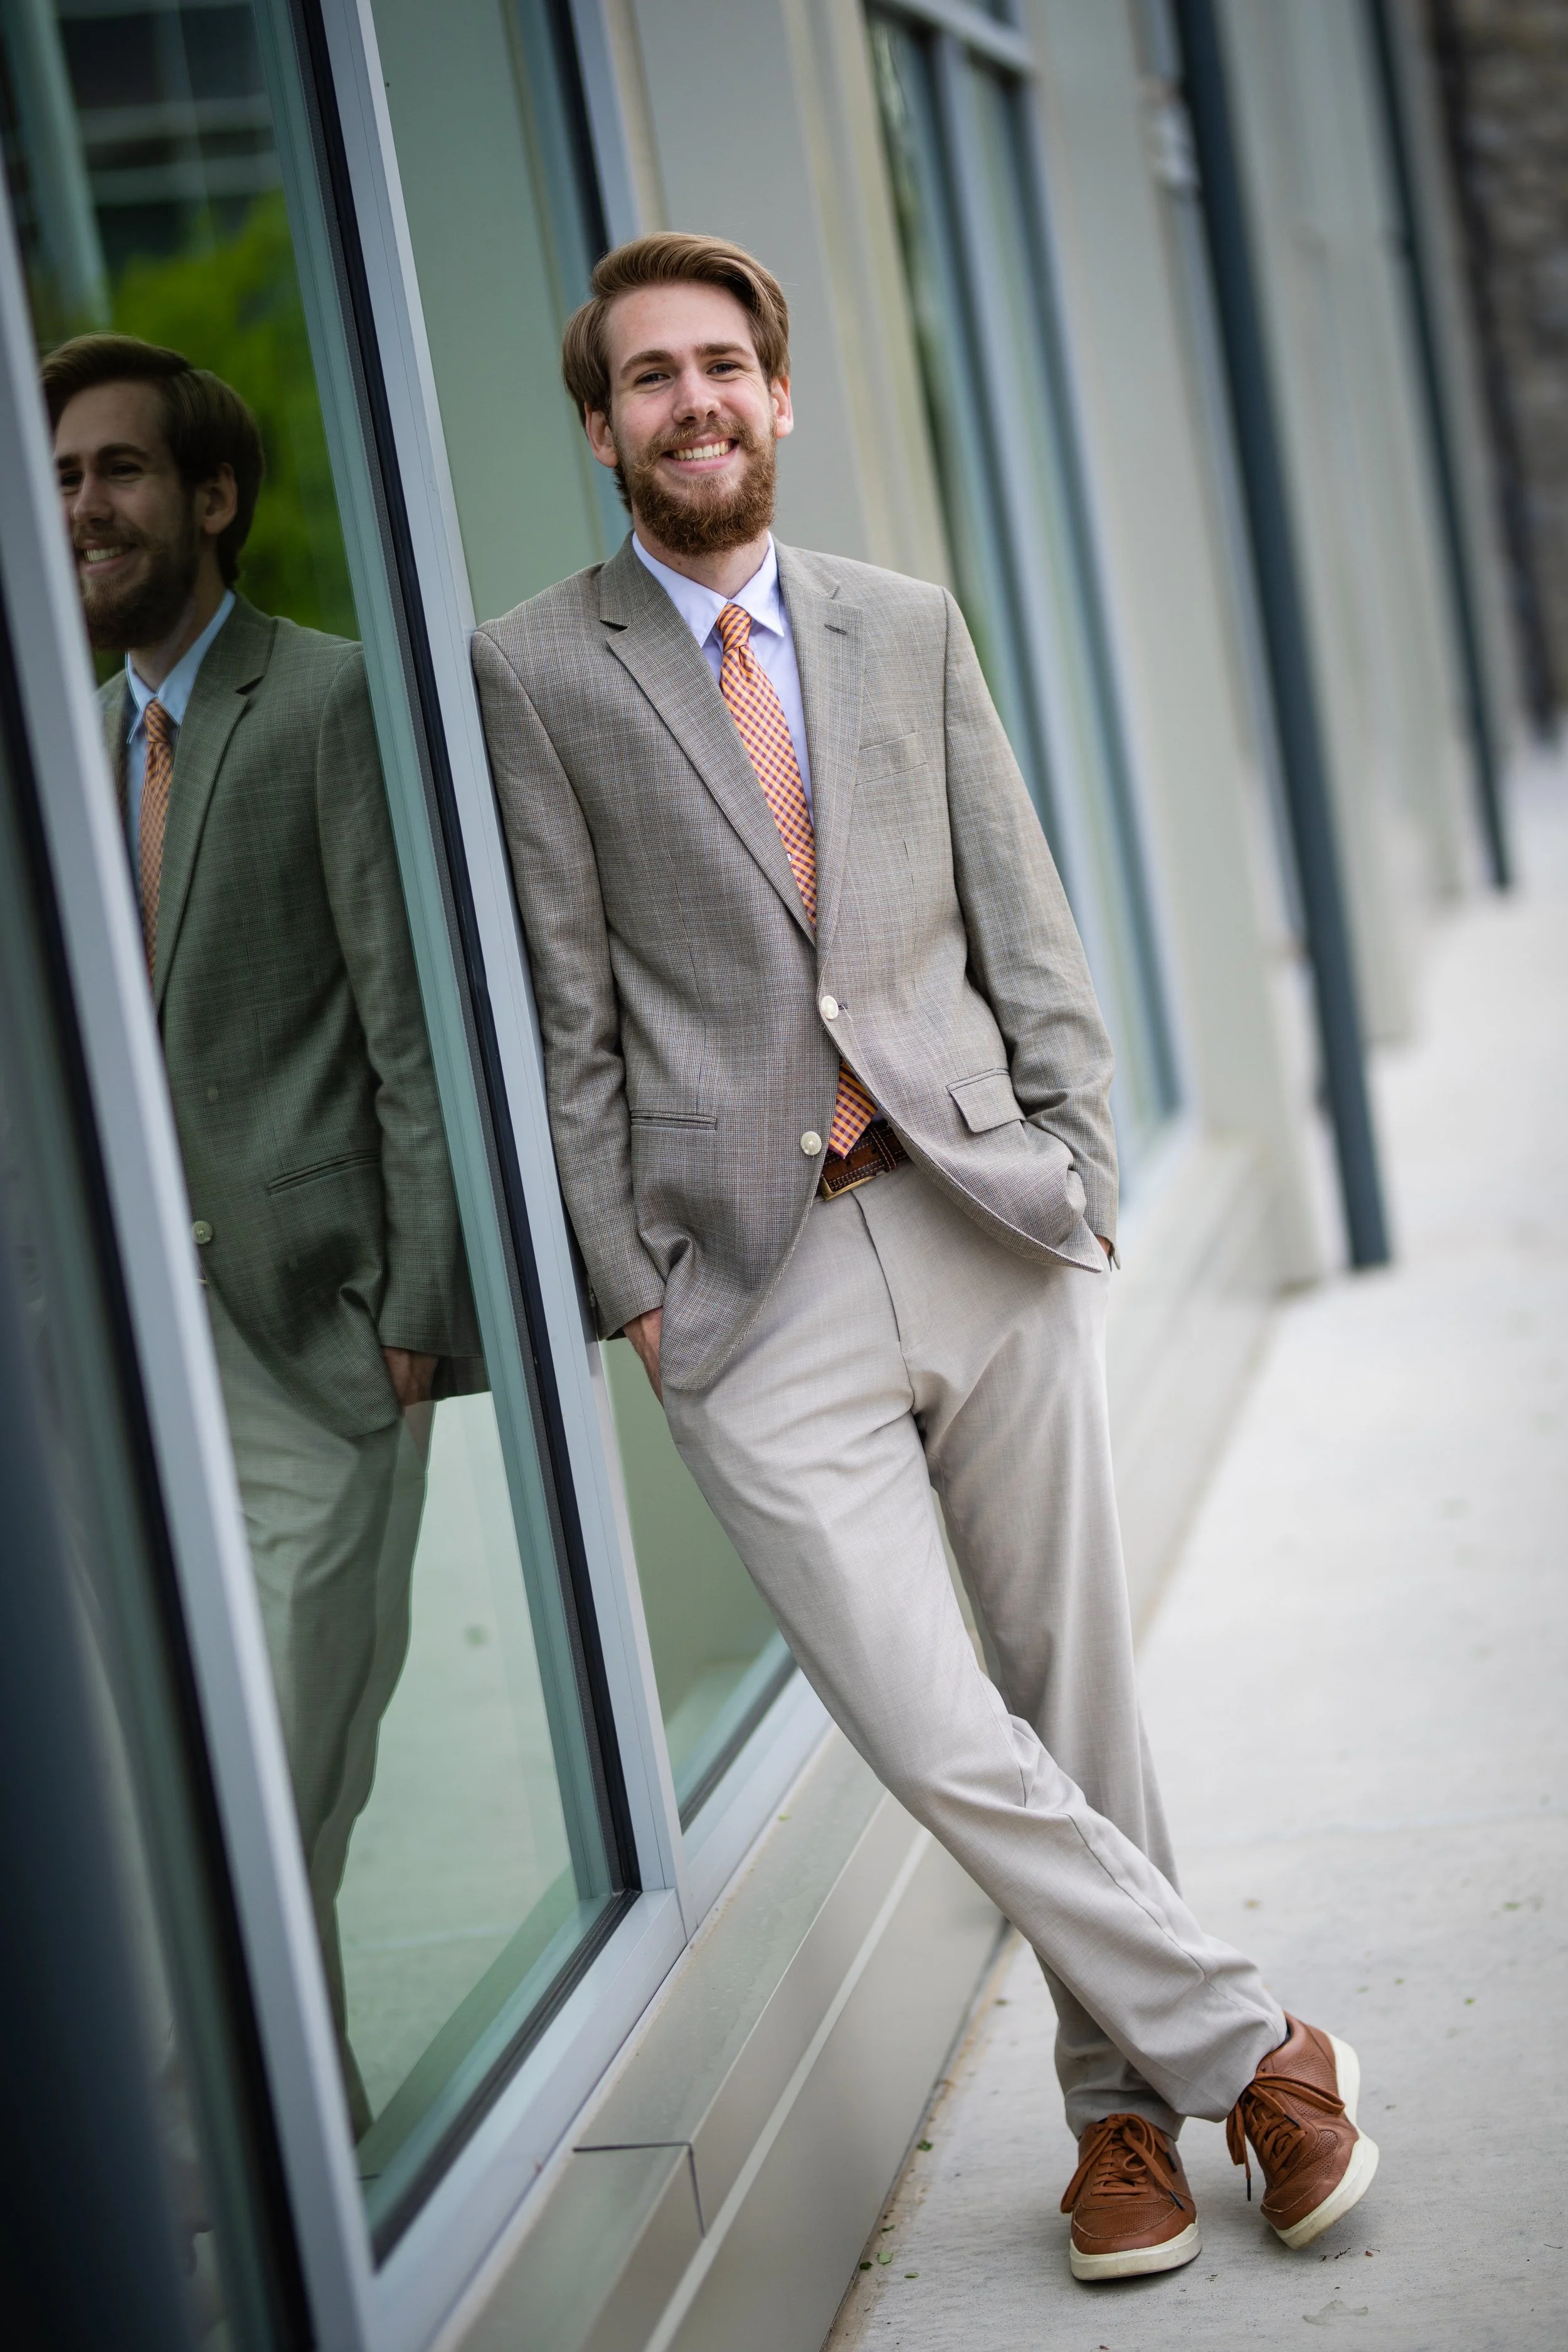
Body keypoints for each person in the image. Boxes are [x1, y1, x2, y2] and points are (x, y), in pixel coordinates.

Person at [470, 234, 1379, 2284]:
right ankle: (1262, 2044)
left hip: (979, 1217)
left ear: (778, 400)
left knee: (1079, 1690)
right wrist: (634, 1281)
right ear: (600, 427)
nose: (692, 401)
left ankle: (1119, 2126)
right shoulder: (531, 672)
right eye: (648, 378)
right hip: (746, 1289)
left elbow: (1023, 920)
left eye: (724, 367)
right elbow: (562, 1012)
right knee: (928, 1715)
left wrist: (1079, 1165)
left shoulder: (899, 625)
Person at [46, 333, 480, 2135]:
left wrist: (416, 1304)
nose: (86, 507)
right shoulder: (74, 749)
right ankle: (296, 2122)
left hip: (314, 1334)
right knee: (181, 1777)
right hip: (128, 1351)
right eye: (64, 477)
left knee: (297, 1756)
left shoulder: (320, 703)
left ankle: (244, 2127)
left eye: (121, 471)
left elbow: (412, 1024)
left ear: (210, 497)